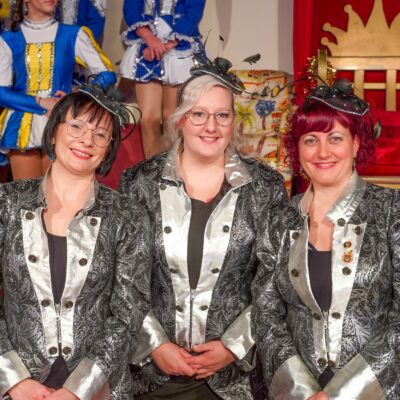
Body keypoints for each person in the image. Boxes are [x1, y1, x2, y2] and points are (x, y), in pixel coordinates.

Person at [119, 58, 287, 399]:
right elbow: (123, 276)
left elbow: (276, 278)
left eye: (222, 115)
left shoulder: (265, 186)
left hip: (234, 377)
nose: (211, 126)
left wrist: (233, 345)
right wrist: (156, 344)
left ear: (233, 121)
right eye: (198, 114)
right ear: (180, 119)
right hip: (152, 373)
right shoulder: (139, 183)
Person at [0, 83, 151, 400]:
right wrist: (14, 380)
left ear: (109, 148)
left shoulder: (128, 215)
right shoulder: (6, 203)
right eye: (77, 126)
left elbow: (128, 315)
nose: (87, 140)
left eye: (101, 134)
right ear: (54, 131)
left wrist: (78, 390)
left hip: (99, 390)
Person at [253, 79, 400, 399]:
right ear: (297, 148)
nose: (322, 152)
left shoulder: (393, 210)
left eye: (335, 138)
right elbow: (266, 314)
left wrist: (341, 393)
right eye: (311, 140)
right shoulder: (279, 219)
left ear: (356, 144)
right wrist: (302, 391)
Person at [0, 0, 116, 180]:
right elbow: (1, 92)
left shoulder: (73, 34)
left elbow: (107, 74)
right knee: (26, 195)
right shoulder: (8, 39)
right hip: (22, 124)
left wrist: (78, 94)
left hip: (61, 121)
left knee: (56, 193)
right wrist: (41, 102)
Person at [119, 0, 206, 158]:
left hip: (179, 45)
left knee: (172, 118)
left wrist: (167, 45)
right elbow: (131, 7)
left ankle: (174, 168)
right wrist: (150, 39)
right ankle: (153, 168)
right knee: (148, 118)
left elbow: (194, 11)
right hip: (146, 46)